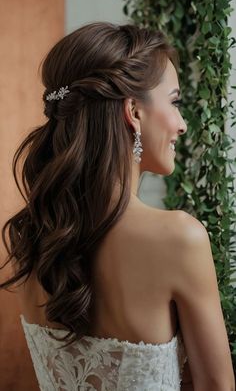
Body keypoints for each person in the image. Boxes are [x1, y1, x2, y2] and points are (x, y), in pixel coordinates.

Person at [0, 21, 235, 391]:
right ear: (134, 112)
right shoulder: (180, 238)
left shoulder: (30, 236)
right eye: (174, 102)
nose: (182, 124)